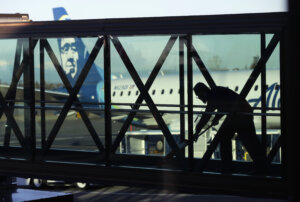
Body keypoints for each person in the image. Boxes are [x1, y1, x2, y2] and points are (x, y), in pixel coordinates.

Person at [193, 82, 266, 173]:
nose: (199, 98)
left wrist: (197, 131)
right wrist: (216, 118)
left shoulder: (212, 98)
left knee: (227, 139)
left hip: (239, 116)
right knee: (250, 141)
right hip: (243, 114)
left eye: (198, 96)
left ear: (202, 92)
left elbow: (207, 115)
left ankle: (228, 167)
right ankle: (261, 166)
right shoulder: (216, 92)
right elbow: (224, 106)